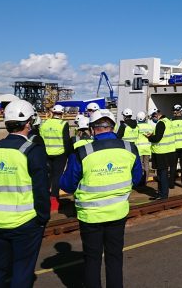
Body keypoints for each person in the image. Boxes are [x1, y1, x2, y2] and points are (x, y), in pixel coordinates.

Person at [59, 109, 142, 288]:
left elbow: (67, 184)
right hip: (118, 212)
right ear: (112, 127)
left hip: (91, 215)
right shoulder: (129, 148)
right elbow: (136, 178)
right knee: (114, 257)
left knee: (92, 259)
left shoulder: (83, 152)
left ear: (92, 129)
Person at [0, 99, 50, 288]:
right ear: (28, 123)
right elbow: (41, 190)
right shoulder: (32, 151)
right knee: (22, 270)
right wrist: (42, 217)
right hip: (26, 222)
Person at [40, 104, 74, 211]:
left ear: (52, 113)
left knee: (47, 176)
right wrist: (69, 154)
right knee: (57, 176)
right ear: (62, 113)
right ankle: (54, 200)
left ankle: (44, 197)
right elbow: (66, 140)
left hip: (45, 154)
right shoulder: (63, 124)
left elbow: (40, 139)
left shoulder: (44, 123)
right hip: (60, 154)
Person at [147, 106, 177, 199]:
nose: (153, 120)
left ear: (156, 115)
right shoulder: (168, 121)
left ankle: (163, 195)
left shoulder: (160, 123)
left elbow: (157, 138)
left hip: (161, 153)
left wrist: (149, 137)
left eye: (152, 118)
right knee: (164, 174)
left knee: (162, 175)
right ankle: (163, 193)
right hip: (170, 152)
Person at [135, 111, 154, 185]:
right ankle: (145, 181)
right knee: (146, 164)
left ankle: (139, 181)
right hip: (147, 147)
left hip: (139, 148)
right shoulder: (149, 126)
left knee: (139, 165)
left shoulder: (136, 127)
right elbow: (152, 135)